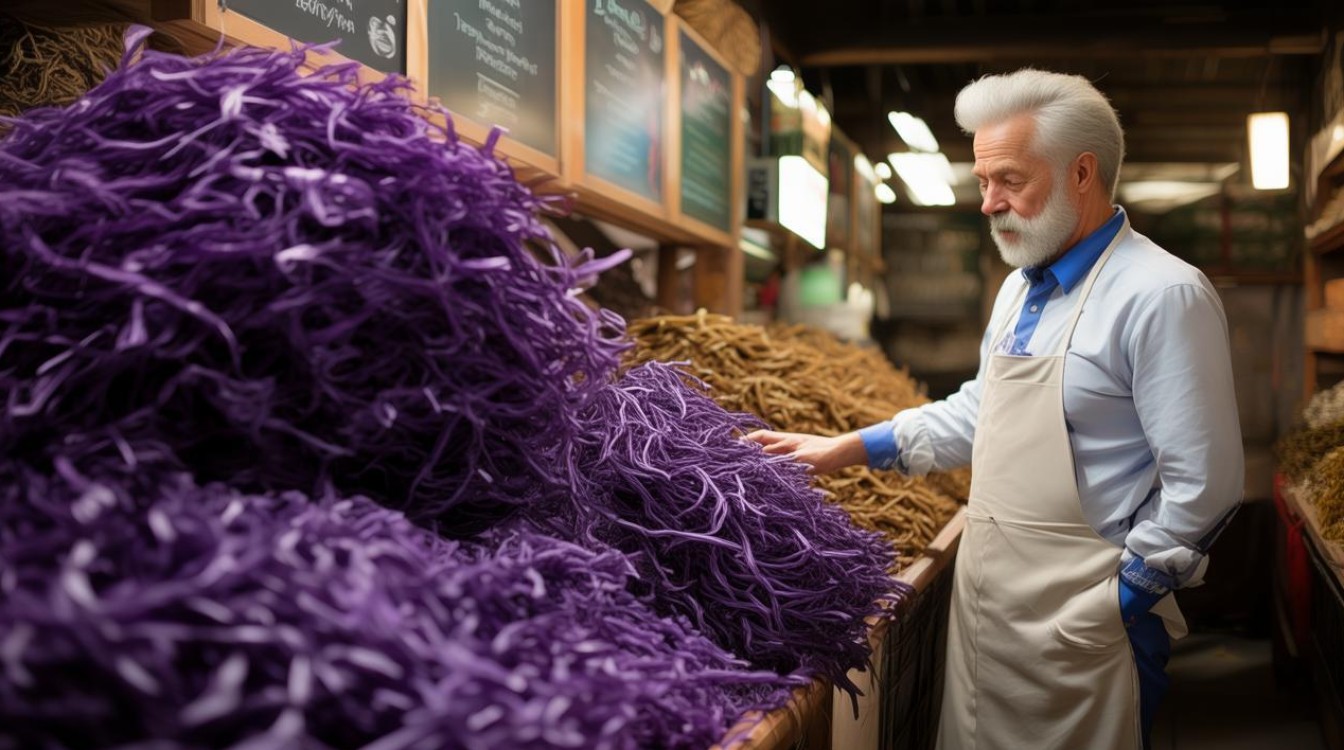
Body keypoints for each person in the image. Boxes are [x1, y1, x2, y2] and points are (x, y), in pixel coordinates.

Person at [746, 68, 1243, 750]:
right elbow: (985, 412)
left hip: (1085, 627)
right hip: (990, 616)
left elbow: (1206, 485)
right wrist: (848, 447)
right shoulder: (1018, 289)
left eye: (1009, 179)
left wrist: (1118, 604)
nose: (988, 203)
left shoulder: (1161, 295)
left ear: (1081, 173)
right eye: (982, 181)